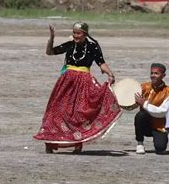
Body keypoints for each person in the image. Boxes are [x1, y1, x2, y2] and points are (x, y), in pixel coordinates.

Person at [33, 22, 121, 153]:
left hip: (84, 81)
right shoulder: (70, 45)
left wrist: (110, 74)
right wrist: (51, 38)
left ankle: (78, 143)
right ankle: (50, 141)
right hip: (66, 81)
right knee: (57, 110)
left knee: (79, 113)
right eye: (74, 32)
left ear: (85, 34)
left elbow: (101, 63)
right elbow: (50, 52)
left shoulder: (93, 47)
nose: (75, 35)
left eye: (78, 33)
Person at [134, 63, 169, 154]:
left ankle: (161, 137)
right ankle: (140, 143)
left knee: (160, 148)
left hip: (159, 125)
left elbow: (162, 112)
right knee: (140, 115)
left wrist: (144, 103)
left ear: (163, 75)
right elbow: (130, 101)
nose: (153, 76)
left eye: (156, 73)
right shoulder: (143, 87)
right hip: (145, 123)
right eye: (151, 73)